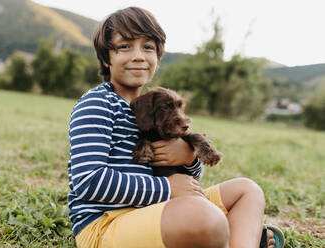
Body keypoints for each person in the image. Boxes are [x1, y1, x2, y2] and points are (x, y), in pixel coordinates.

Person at [67, 6, 284, 248]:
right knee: (202, 215)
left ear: (157, 58)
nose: (138, 55)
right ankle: (233, 233)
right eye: (125, 46)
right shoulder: (97, 104)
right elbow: (87, 180)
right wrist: (167, 188)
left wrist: (188, 157)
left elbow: (188, 183)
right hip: (107, 224)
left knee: (246, 190)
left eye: (148, 47)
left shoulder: (154, 108)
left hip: (157, 210)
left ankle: (237, 240)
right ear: (107, 57)